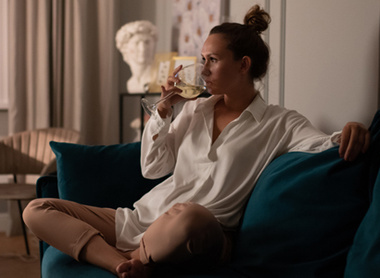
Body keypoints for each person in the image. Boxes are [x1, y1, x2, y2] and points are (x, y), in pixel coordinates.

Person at [23, 5, 370, 278]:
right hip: (144, 220)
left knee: (193, 217)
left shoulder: (280, 123)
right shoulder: (193, 111)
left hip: (203, 233)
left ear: (243, 65)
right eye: (202, 59)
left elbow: (322, 143)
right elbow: (152, 168)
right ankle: (123, 264)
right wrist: (162, 111)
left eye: (213, 60)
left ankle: (126, 257)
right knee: (37, 210)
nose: (202, 70)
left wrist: (353, 128)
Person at [115, 20, 157, 93]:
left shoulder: (157, 78)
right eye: (137, 43)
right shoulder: (131, 83)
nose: (143, 48)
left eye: (147, 42)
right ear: (125, 47)